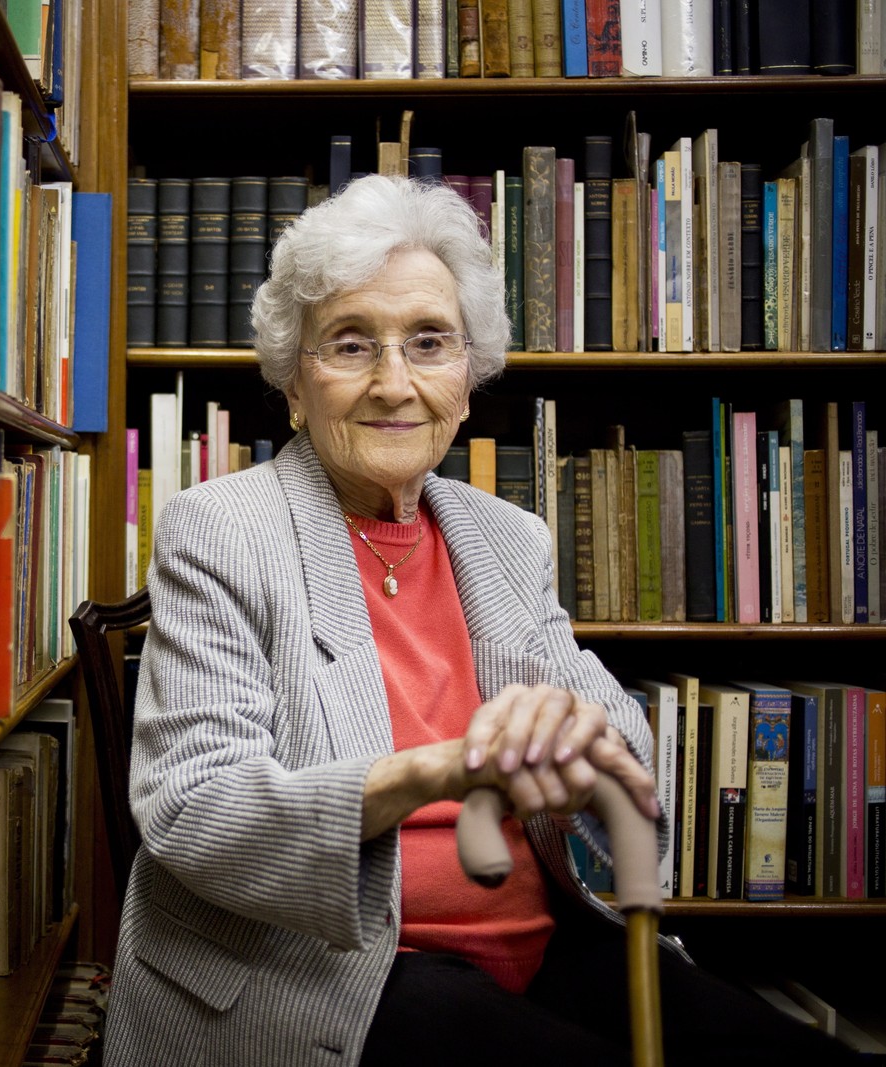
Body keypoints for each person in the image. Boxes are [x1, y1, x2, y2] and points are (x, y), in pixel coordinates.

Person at [102, 174, 855, 1066]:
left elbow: (628, 771)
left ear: (467, 376)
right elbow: (195, 810)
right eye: (350, 344)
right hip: (325, 970)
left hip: (541, 946)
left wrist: (581, 740)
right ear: (295, 385)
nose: (394, 382)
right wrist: (434, 770)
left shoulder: (504, 538)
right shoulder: (223, 528)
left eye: (429, 342)